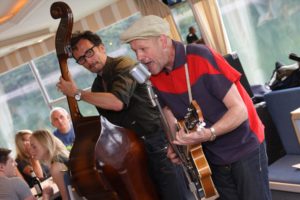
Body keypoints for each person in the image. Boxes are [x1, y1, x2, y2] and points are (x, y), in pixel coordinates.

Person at [120, 15, 272, 200]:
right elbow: (167, 113)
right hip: (212, 155)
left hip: (244, 144)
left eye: (143, 49)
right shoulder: (155, 74)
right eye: (135, 51)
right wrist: (176, 144)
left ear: (163, 40)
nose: (139, 58)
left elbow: (240, 110)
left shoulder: (200, 57)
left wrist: (209, 133)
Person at [56, 30, 192, 200]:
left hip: (157, 141)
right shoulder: (97, 86)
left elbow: (117, 102)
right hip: (134, 153)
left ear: (102, 48)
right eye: (82, 59)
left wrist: (77, 93)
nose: (88, 61)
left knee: (177, 195)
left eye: (89, 53)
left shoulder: (124, 64)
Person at [30, 129, 69, 200]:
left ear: (45, 144)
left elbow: (67, 198)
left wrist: (46, 196)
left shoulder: (56, 167)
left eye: (34, 147)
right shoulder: (59, 157)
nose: (31, 151)